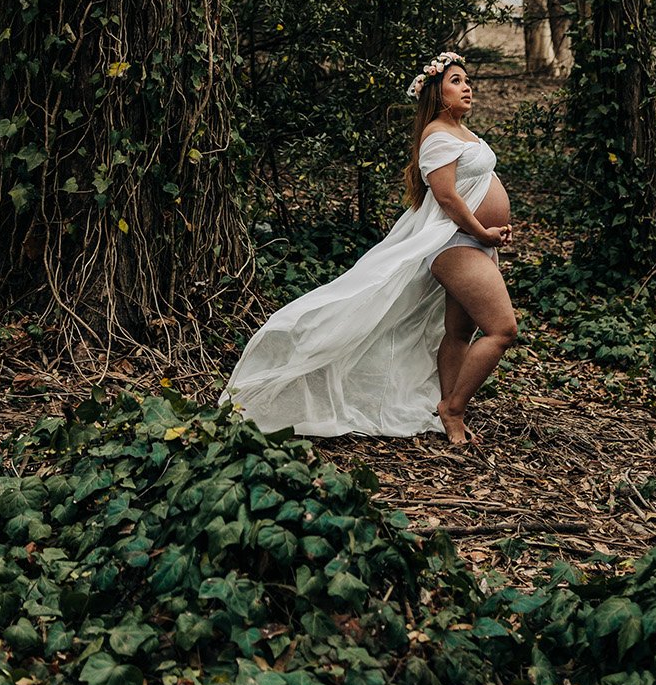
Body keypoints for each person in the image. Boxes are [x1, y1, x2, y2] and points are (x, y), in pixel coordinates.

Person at [220, 52, 517, 445]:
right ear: (435, 92)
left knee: (459, 332)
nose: (467, 87)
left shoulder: (462, 133)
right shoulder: (436, 135)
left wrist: (491, 235)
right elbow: (447, 199)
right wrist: (482, 232)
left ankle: (447, 408)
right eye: (457, 81)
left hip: (476, 242)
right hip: (455, 243)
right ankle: (454, 407)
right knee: (503, 329)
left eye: (467, 81)